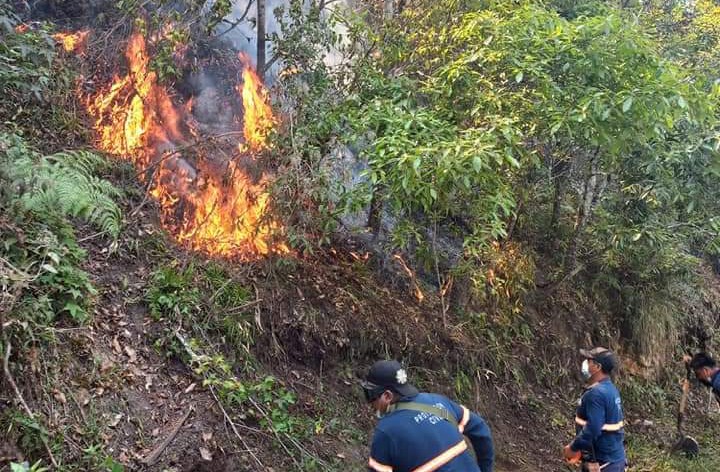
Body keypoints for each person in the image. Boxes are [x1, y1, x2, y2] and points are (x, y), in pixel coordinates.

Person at [361, 359, 494, 472]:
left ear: (387, 396)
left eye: (369, 395)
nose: (370, 404)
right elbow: (482, 431)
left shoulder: (386, 432)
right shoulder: (438, 401)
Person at [563, 347, 626, 472]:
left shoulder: (596, 394)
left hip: (602, 463)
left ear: (597, 367)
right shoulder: (611, 389)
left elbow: (593, 428)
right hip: (614, 459)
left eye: (589, 360)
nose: (585, 364)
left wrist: (573, 448)